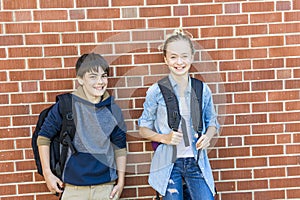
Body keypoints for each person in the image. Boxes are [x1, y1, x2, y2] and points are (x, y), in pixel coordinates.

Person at [138, 29, 219, 200]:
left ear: (192, 57)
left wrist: (208, 135)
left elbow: (212, 121)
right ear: (165, 59)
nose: (179, 62)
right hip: (168, 163)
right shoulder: (156, 91)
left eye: (184, 56)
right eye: (173, 57)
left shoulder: (202, 89)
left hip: (196, 162)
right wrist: (164, 138)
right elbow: (143, 128)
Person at [37, 53, 127, 200]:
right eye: (93, 77)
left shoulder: (113, 110)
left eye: (103, 76)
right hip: (73, 189)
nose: (100, 82)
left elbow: (120, 146)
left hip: (105, 188)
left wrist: (121, 182)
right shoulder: (66, 106)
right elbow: (43, 138)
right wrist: (47, 174)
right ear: (80, 79)